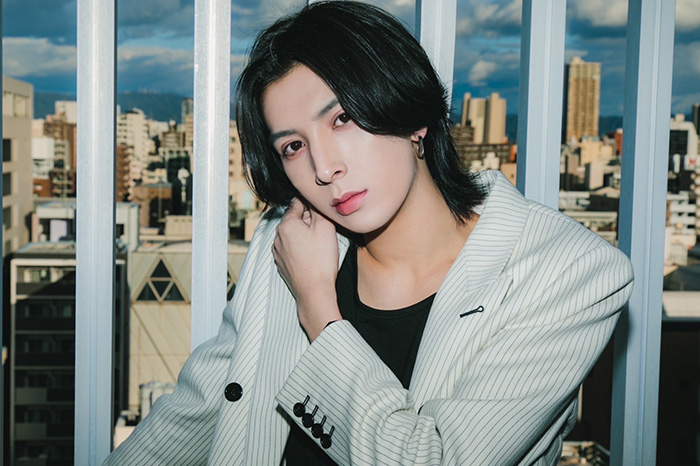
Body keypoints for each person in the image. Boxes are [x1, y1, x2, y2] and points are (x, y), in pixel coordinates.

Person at [104, 2, 633, 465]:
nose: (323, 168)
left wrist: (318, 310)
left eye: (342, 119)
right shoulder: (293, 238)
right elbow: (200, 409)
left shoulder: (568, 272)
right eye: (293, 146)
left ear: (412, 116)